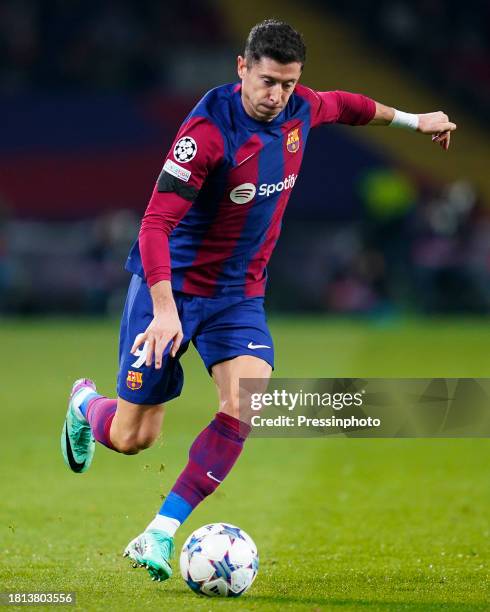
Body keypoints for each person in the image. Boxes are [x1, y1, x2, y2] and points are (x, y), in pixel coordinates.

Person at [60, 19, 456, 582]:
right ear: (242, 69)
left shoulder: (300, 108)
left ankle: (160, 530)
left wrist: (419, 121)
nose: (277, 96)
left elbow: (347, 104)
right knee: (132, 438)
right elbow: (153, 225)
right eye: (268, 81)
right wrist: (166, 310)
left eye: (289, 84)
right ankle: (84, 406)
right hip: (169, 290)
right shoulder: (205, 135)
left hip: (238, 296)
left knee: (245, 402)